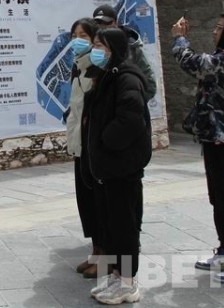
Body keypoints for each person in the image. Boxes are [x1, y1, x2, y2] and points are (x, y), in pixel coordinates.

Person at [172, 10, 224, 284]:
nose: (214, 31)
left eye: (220, 28)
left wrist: (180, 38)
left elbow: (192, 62)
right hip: (214, 136)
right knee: (218, 197)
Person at [82, 28, 151, 304]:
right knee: (111, 224)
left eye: (101, 45)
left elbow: (130, 119)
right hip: (107, 167)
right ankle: (117, 275)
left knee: (124, 226)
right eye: (95, 45)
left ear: (116, 49)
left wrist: (105, 142)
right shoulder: (106, 75)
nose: (95, 50)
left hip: (122, 165)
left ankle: (128, 283)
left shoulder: (127, 78)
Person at [62, 18, 103, 278]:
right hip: (80, 144)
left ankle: (108, 256)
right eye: (74, 35)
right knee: (87, 202)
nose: (78, 40)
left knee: (100, 203)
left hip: (94, 147)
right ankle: (97, 251)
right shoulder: (78, 67)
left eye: (84, 36)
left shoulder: (100, 69)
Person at [93, 4, 157, 102]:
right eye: (98, 23)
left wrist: (131, 102)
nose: (102, 27)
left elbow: (150, 84)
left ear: (115, 23)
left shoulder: (132, 49)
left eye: (106, 23)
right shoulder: (90, 49)